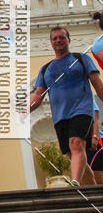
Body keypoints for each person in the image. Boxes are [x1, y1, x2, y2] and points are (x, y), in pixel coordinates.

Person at [29, 26, 103, 186]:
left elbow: (97, 83)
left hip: (82, 111)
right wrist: (24, 110)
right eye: (55, 38)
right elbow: (38, 95)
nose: (58, 40)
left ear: (68, 39)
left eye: (62, 37)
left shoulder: (81, 58)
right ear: (51, 42)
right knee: (74, 154)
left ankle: (74, 182)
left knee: (76, 144)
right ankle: (92, 190)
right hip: (60, 117)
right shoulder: (46, 69)